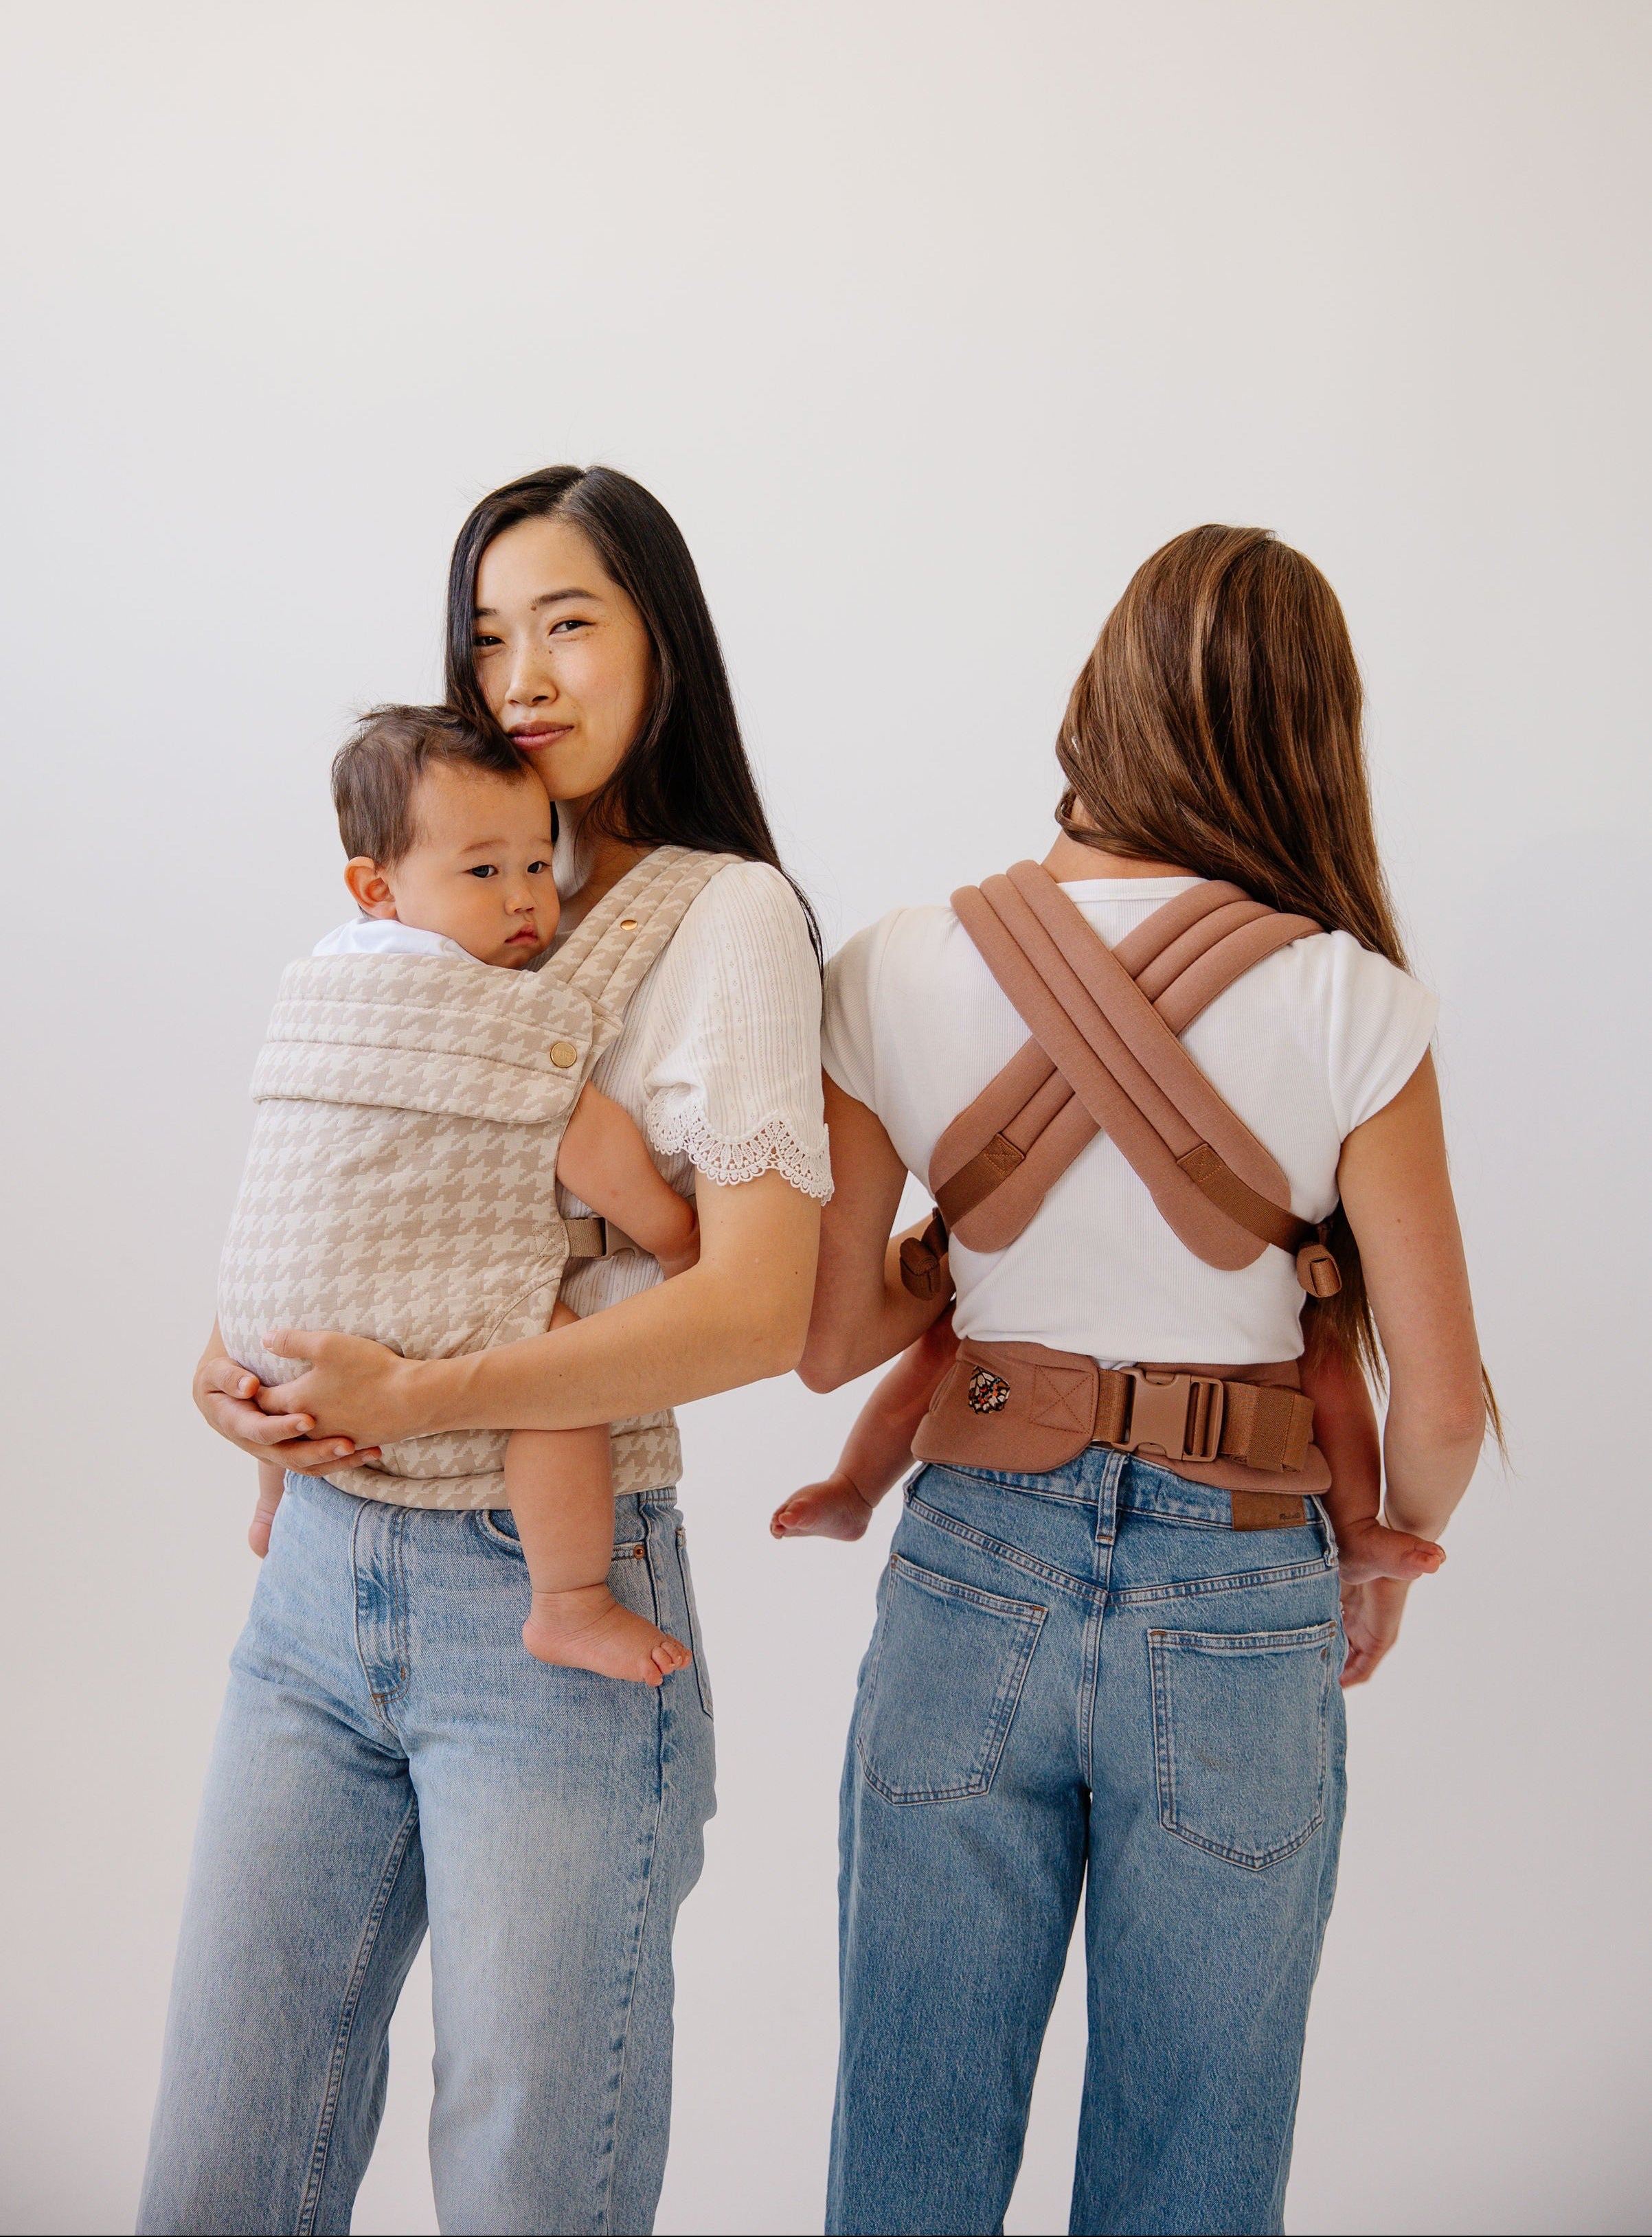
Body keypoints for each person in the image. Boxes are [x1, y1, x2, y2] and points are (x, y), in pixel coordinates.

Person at [139, 466, 832, 2236]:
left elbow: (753, 1305)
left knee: (531, 2183)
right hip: (312, 1584)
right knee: (222, 2155)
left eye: (571, 623)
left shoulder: (728, 918)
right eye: (489, 633)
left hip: (546, 1603)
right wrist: (231, 1378)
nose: (523, 670)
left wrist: (423, 1399)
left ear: (660, 639)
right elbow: (348, 1175)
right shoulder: (430, 894)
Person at [791, 524, 1495, 2235]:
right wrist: (1385, 1547)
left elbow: (824, 1345)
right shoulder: (1351, 1002)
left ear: (1099, 699)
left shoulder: (891, 965)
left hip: (973, 1566)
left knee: (912, 2142)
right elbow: (1449, 1405)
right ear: (1307, 736)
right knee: (1198, 2157)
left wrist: (966, 1256)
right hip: (1242, 1589)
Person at [231, 702, 702, 1683]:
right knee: (563, 1357)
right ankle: (568, 1599)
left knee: (305, 1321)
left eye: (538, 862)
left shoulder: (329, 971)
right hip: (383, 1318)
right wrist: (674, 1232)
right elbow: (582, 1130)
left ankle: (278, 1499)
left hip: (260, 1316)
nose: (526, 897)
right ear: (377, 888)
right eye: (483, 871)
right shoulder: (483, 998)